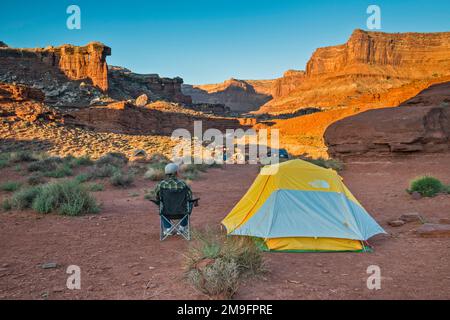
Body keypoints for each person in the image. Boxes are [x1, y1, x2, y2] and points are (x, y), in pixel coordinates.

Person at [154, 163, 192, 235]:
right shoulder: (183, 184)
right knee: (190, 203)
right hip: (182, 212)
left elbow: (156, 196)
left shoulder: (161, 184)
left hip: (166, 212)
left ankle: (168, 228)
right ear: (176, 173)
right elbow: (190, 196)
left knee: (161, 205)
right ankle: (182, 227)